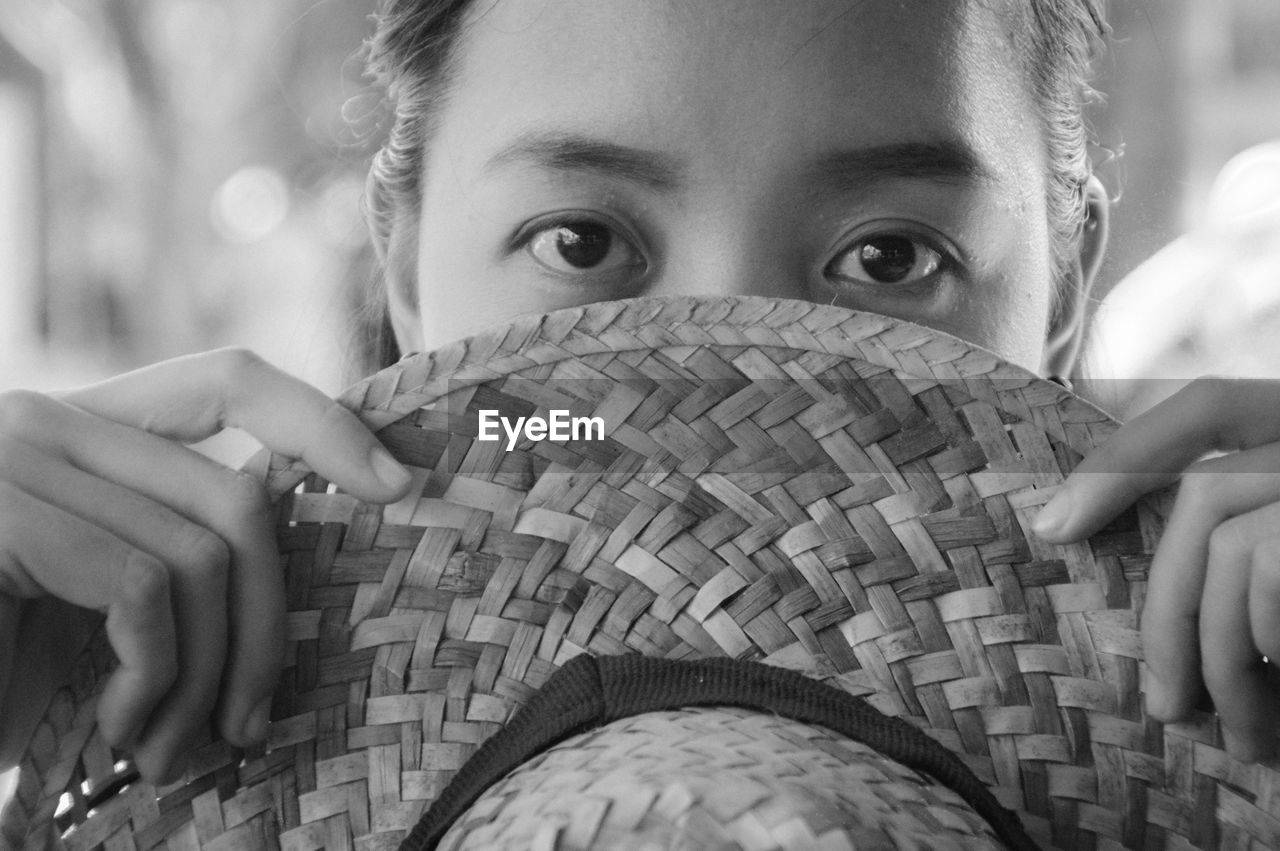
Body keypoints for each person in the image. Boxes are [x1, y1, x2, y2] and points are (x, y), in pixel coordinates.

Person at [2, 0, 1279, 793]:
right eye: (580, 242)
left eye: (887, 258)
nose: (723, 369)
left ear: (1061, 288)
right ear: (400, 262)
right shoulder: (95, 642)